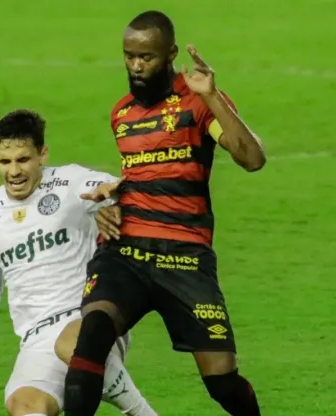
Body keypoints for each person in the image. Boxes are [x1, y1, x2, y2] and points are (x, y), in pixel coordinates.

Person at [61, 10, 267, 416]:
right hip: (127, 251)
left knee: (222, 381)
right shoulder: (121, 115)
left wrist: (212, 95)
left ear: (170, 53)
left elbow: (252, 159)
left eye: (147, 57)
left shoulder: (198, 105)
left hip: (185, 257)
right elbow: (138, 175)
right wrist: (108, 200)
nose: (136, 66)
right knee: (92, 339)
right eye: (129, 56)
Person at [0, 109, 158, 416]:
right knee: (23, 405)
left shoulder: (72, 182)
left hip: (90, 316)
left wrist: (112, 200)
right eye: (4, 162)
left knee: (69, 345)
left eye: (23, 160)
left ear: (42, 154)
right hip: (36, 338)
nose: (13, 171)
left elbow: (119, 189)